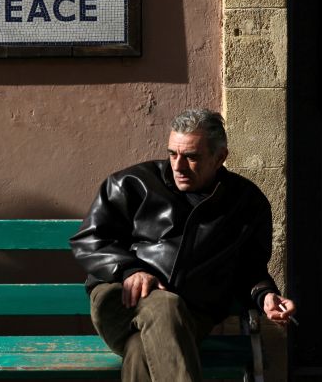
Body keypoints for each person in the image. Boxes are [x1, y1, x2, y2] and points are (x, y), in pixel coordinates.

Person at [69, 108, 296, 382]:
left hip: (192, 314)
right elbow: (89, 239)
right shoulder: (132, 184)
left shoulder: (246, 203)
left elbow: (249, 267)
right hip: (121, 300)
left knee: (141, 351)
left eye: (191, 157)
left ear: (220, 157)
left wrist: (265, 295)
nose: (178, 166)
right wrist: (130, 270)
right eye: (172, 154)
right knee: (164, 305)